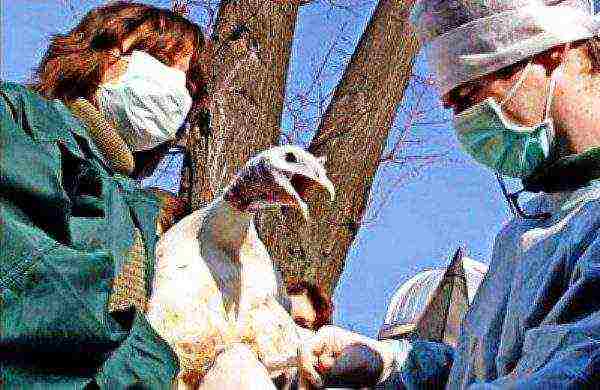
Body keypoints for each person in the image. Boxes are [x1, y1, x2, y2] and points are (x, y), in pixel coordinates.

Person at [297, 0, 600, 388]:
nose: (462, 125)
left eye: (468, 96)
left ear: (547, 51)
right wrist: (386, 364)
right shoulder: (532, 227)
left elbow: (568, 375)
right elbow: (486, 371)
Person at [0, 2, 207, 387]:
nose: (175, 90)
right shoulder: (17, 117)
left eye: (188, 85)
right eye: (161, 60)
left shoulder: (138, 214)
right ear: (101, 53)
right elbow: (19, 275)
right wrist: (147, 368)